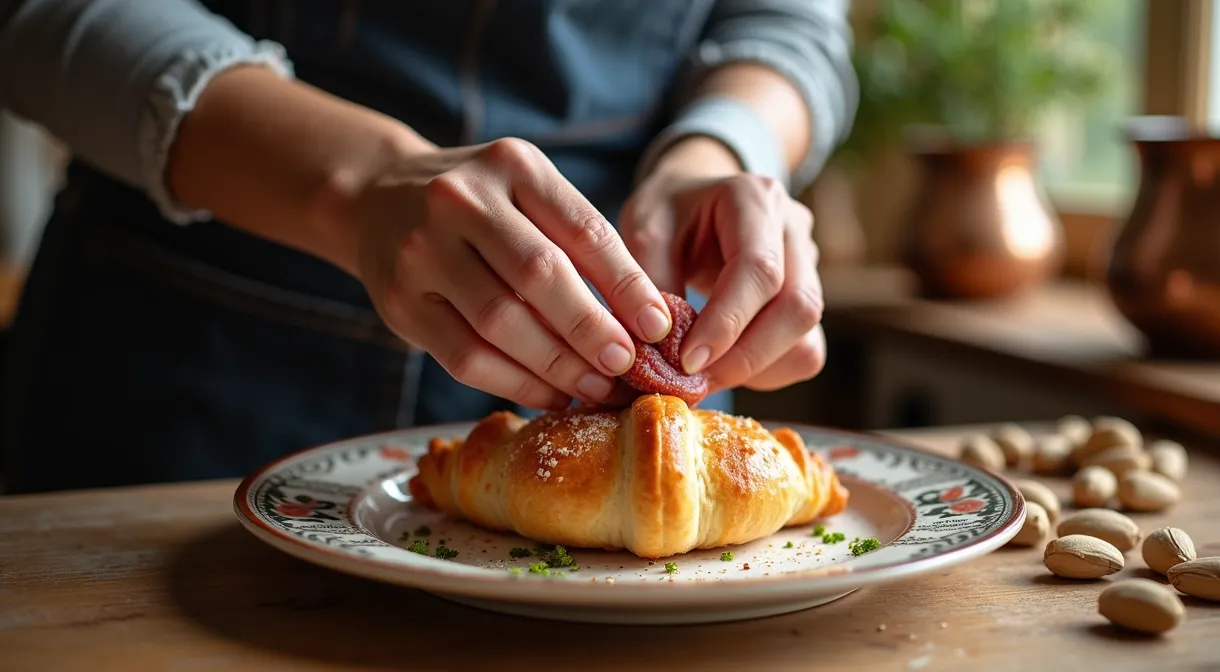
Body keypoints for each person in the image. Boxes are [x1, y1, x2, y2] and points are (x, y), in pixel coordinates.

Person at [0, 0, 856, 494]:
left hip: (635, 415)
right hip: (184, 372)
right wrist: (362, 182)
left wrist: (714, 154)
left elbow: (788, 25)